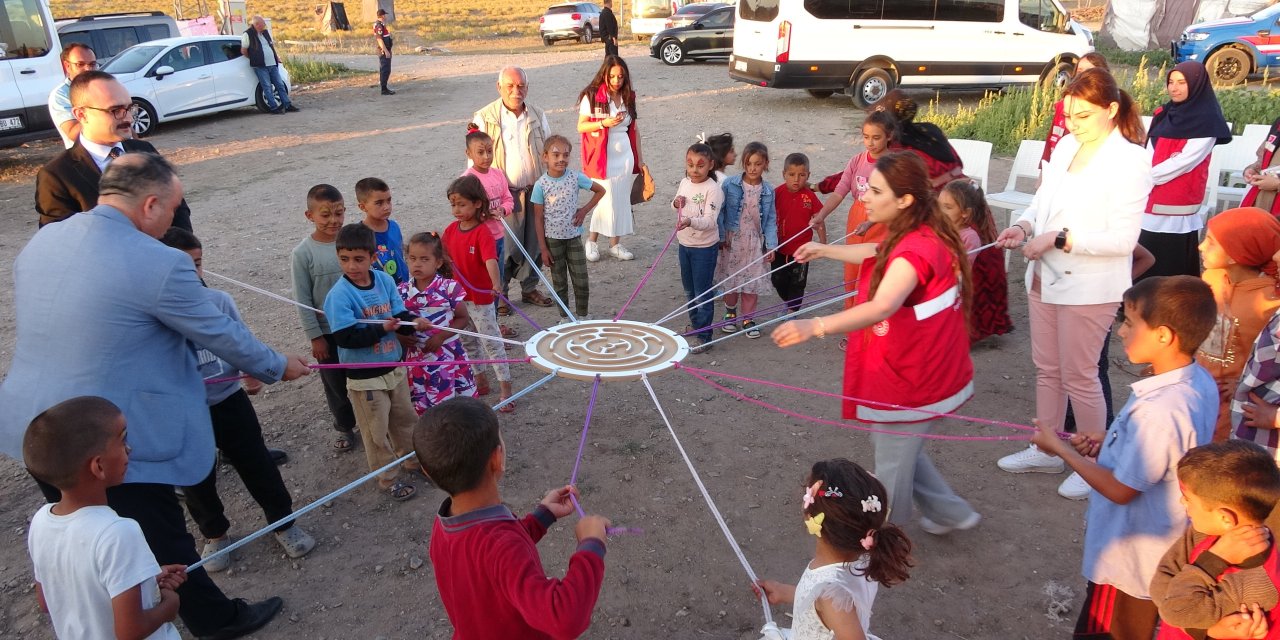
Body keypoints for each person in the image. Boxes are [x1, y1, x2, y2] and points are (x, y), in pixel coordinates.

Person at [0, 152, 309, 639]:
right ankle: (212, 621)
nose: (172, 221)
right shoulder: (161, 263)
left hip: (33, 426)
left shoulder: (45, 241)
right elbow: (219, 333)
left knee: (83, 527)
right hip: (102, 433)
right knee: (158, 531)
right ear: (149, 205)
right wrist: (276, 365)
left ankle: (92, 608)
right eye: (173, 208)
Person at [772, 152, 979, 534]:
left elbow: (883, 305)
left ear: (904, 200)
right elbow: (877, 252)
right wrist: (825, 249)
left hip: (914, 379)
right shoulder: (915, 230)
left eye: (876, 191)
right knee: (900, 451)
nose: (864, 195)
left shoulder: (916, 247)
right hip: (923, 370)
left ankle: (885, 538)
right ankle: (953, 513)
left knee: (890, 465)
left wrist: (814, 326)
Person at [1029, 275, 1218, 640]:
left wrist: (1061, 450)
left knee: (1115, 630)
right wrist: (1109, 439)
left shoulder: (1161, 409)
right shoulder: (1193, 380)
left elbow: (1121, 490)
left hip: (1135, 555)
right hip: (1155, 543)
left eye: (1130, 323)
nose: (1121, 332)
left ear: (1163, 335)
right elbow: (1164, 454)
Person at [993, 68, 1152, 501]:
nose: (1071, 123)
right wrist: (1025, 227)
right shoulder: (1066, 146)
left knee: (1081, 375)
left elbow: (1123, 240)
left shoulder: (1130, 161)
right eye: (1068, 114)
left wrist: (1060, 239)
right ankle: (1047, 446)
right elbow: (1043, 202)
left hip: (1091, 285)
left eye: (1082, 115)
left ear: (1111, 110)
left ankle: (1091, 462)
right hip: (1044, 272)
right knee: (1048, 369)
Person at [159, 227, 316, 572]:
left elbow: (240, 342)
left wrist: (252, 373)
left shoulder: (218, 302)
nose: (193, 274)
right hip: (184, 411)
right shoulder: (156, 316)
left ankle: (283, 522)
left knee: (256, 462)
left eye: (197, 265)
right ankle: (215, 534)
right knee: (195, 477)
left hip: (228, 401)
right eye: (182, 267)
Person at [416, 397, 610, 639]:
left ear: (427, 471)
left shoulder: (445, 524)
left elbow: (490, 560)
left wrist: (543, 516)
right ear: (497, 459)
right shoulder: (500, 545)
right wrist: (590, 545)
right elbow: (565, 619)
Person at [24, 397, 187, 640]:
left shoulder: (40, 521)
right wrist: (169, 606)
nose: (129, 449)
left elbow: (47, 601)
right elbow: (130, 632)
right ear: (98, 466)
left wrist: (144, 581)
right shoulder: (119, 532)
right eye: (123, 440)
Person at [324, 223, 432, 502]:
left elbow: (398, 312)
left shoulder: (384, 280)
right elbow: (344, 337)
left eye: (359, 259)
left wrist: (412, 324)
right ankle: (388, 478)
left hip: (394, 368)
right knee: (376, 430)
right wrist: (383, 329)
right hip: (365, 377)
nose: (352, 266)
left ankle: (411, 461)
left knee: (405, 420)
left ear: (373, 258)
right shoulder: (339, 295)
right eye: (344, 259)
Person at [753, 459, 912, 640]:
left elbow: (830, 603)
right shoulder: (867, 554)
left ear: (810, 518)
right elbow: (820, 602)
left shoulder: (831, 596)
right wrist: (785, 592)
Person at [1150, 440, 1280, 639]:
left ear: (1225, 517)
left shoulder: (1258, 581)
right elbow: (1161, 582)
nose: (1181, 501)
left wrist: (1212, 561)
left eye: (1189, 499)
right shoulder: (1203, 531)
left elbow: (1175, 611)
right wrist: (1205, 630)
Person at [35, 71, 192, 230]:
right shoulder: (56, 176)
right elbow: (59, 240)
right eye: (115, 110)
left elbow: (177, 208)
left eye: (129, 108)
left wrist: (182, 251)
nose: (129, 118)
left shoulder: (143, 150)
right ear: (81, 114)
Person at [472, 66, 557, 309]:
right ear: (499, 87)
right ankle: (502, 294)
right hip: (501, 197)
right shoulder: (484, 117)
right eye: (510, 86)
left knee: (534, 243)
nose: (515, 91)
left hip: (534, 191)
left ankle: (529, 288)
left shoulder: (538, 115)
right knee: (504, 247)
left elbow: (548, 150)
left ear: (527, 88)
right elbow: (474, 160)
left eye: (520, 86)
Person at [1140, 60, 1232, 279]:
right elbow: (1148, 150)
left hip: (1177, 200)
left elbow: (1185, 161)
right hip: (1149, 194)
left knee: (1170, 260)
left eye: (1181, 82)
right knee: (1145, 250)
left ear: (1196, 84)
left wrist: (1145, 177)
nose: (1174, 88)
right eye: (1171, 82)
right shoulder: (1164, 113)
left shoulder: (1207, 120)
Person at [1195, 207, 1280, 441]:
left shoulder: (1270, 301)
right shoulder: (1212, 279)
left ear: (1237, 254)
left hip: (1234, 402)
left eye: (1210, 242)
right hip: (1199, 388)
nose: (1200, 247)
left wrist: (1242, 385)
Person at [291, 184, 360, 453]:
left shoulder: (351, 243)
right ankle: (344, 426)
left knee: (363, 377)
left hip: (357, 326)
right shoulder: (302, 254)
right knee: (335, 385)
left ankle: (372, 422)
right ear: (309, 216)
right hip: (328, 333)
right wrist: (315, 336)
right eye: (325, 215)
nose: (334, 220)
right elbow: (301, 299)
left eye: (339, 213)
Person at [809, 111, 899, 308]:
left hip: (883, 221)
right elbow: (839, 191)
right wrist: (821, 216)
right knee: (852, 271)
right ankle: (853, 330)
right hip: (857, 217)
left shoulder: (894, 164)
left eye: (876, 138)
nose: (870, 143)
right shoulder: (856, 161)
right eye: (866, 137)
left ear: (889, 136)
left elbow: (894, 202)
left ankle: (871, 328)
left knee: (873, 272)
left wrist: (871, 222)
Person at [443, 175, 516, 409]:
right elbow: (443, 255)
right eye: (453, 204)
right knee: (468, 341)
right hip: (460, 300)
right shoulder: (451, 230)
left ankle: (506, 390)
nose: (456, 209)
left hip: (481, 298)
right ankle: (480, 380)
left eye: (461, 204)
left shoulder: (483, 232)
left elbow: (491, 260)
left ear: (477, 203)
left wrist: (497, 284)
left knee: (491, 342)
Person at [399, 231, 479, 415]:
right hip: (418, 357)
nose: (417, 264)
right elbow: (397, 321)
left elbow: (462, 318)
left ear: (438, 262)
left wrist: (441, 336)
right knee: (425, 409)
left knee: (457, 407)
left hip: (447, 355)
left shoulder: (448, 288)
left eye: (424, 259)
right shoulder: (401, 292)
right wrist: (400, 337)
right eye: (412, 258)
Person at [577, 55, 644, 262]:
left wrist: (639, 160)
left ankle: (615, 243)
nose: (616, 80)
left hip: (624, 155)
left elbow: (635, 129)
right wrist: (603, 123)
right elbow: (581, 126)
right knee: (605, 198)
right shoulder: (591, 95)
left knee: (622, 199)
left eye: (621, 77)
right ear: (604, 74)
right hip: (602, 155)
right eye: (612, 76)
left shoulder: (628, 97)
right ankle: (592, 241)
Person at [533, 134, 605, 321]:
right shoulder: (541, 185)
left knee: (581, 280)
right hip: (553, 241)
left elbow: (600, 190)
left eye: (566, 155)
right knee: (559, 282)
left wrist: (584, 211)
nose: (561, 159)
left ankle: (583, 315)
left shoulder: (575, 177)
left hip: (573, 238)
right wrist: (543, 248)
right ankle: (564, 317)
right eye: (556, 155)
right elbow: (538, 218)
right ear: (545, 157)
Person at [461, 124, 520, 338]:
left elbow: (508, 198)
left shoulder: (498, 174)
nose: (486, 156)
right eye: (480, 152)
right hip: (478, 240)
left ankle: (493, 325)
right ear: (469, 153)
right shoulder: (468, 180)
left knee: (498, 281)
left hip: (498, 237)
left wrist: (503, 210)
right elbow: (463, 209)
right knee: (481, 282)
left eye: (489, 151)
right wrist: (482, 215)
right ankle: (480, 326)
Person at [939, 179, 1012, 343]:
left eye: (948, 208)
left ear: (965, 213)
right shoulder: (941, 228)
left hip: (957, 283)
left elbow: (962, 267)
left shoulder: (970, 237)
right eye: (939, 206)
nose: (941, 212)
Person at [717, 141, 778, 338]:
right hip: (733, 241)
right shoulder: (730, 184)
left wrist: (771, 246)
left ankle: (748, 318)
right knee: (731, 279)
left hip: (754, 244)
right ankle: (730, 312)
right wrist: (720, 236)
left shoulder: (768, 191)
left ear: (765, 164)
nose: (753, 168)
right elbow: (720, 211)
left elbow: (770, 220)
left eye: (758, 164)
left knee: (752, 280)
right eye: (749, 163)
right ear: (743, 163)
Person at [674, 142, 726, 353]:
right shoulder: (685, 182)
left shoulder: (713, 190)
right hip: (684, 244)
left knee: (702, 291)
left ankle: (705, 336)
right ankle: (696, 326)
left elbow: (710, 221)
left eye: (700, 165)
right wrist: (676, 203)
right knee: (689, 290)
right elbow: (676, 203)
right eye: (690, 164)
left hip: (704, 248)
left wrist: (690, 222)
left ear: (711, 165)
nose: (694, 169)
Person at [870, 90, 964, 190]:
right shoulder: (930, 129)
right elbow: (958, 165)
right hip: (962, 188)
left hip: (939, 197)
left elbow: (906, 188)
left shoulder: (898, 148)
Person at [1042, 52, 1110, 166]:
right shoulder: (1062, 105)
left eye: (1090, 71)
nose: (1083, 75)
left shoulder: (1106, 107)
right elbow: (1050, 142)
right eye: (1080, 71)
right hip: (1057, 166)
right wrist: (1043, 175)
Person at [772, 153, 818, 314]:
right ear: (784, 174)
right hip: (780, 247)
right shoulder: (776, 193)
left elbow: (819, 219)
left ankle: (792, 310)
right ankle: (788, 302)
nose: (796, 179)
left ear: (808, 176)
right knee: (777, 279)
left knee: (798, 281)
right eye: (791, 175)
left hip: (802, 249)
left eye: (802, 175)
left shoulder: (810, 196)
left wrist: (823, 244)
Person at [354, 177, 407, 285]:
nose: (386, 207)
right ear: (363, 207)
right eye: (379, 203)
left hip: (403, 287)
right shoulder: (360, 235)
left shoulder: (394, 227)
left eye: (389, 200)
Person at [240, 16, 296, 114]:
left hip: (272, 64)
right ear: (256, 24)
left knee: (280, 85)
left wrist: (276, 57)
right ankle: (274, 108)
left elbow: (271, 46)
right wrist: (254, 58)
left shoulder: (265, 33)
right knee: (267, 87)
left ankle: (287, 105)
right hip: (260, 66)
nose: (264, 26)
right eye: (263, 24)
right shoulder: (248, 34)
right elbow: (244, 50)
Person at [48, 42, 98, 148]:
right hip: (89, 158)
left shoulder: (104, 87)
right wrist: (104, 112)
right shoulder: (61, 95)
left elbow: (127, 127)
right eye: (80, 64)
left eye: (92, 64)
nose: (88, 69)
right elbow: (73, 133)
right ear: (67, 66)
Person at [1241, 114, 1280, 214]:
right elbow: (1263, 157)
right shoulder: (1278, 124)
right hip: (1262, 203)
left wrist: (1277, 184)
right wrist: (1254, 169)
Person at [374, 8, 394, 95]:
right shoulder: (379, 26)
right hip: (383, 50)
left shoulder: (380, 25)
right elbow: (379, 39)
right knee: (385, 69)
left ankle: (385, 88)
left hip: (385, 49)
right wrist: (386, 51)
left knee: (386, 69)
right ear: (382, 15)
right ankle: (384, 89)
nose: (385, 16)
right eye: (384, 15)